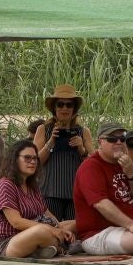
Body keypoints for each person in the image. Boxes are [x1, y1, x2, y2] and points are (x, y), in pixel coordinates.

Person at [72, 125, 133, 256]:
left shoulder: (123, 164)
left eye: (122, 138)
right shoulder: (90, 167)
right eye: (112, 139)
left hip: (127, 228)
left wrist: (132, 174)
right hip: (99, 234)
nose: (118, 142)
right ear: (100, 142)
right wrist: (131, 225)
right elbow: (101, 204)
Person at [0, 140, 76, 259]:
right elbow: (16, 222)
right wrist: (52, 230)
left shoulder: (32, 185)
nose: (32, 162)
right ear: (14, 159)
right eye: (27, 158)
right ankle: (66, 247)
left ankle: (45, 250)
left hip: (37, 232)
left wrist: (59, 228)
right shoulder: (5, 185)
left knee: (76, 224)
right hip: (8, 243)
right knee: (41, 231)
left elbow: (46, 213)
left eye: (35, 158)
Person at [36, 85, 92, 223]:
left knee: (74, 232)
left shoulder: (83, 131)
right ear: (54, 108)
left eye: (69, 105)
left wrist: (82, 149)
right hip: (50, 192)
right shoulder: (43, 129)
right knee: (50, 230)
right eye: (60, 104)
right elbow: (35, 162)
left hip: (76, 193)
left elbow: (93, 165)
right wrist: (51, 142)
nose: (64, 108)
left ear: (74, 109)